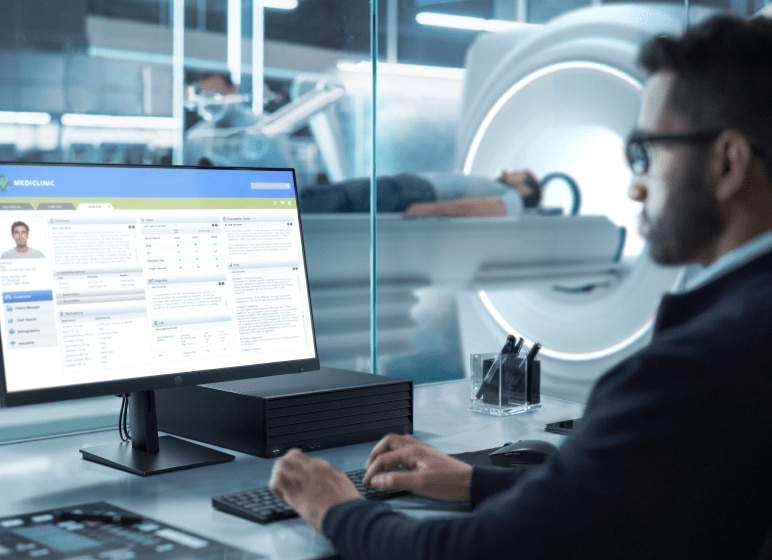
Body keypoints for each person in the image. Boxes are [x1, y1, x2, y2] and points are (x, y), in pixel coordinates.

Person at [269, 14, 772, 559]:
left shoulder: (692, 371)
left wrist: (337, 509)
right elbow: (641, 490)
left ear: (727, 163)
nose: (634, 186)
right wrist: (471, 481)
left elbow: (474, 552)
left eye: (646, 153)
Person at [299, 169, 542, 217]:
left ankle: (281, 215)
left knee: (347, 197)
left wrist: (430, 210)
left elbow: (484, 208)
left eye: (517, 174)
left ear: (525, 188)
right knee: (347, 195)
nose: (506, 171)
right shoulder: (502, 191)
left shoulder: (513, 201)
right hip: (412, 187)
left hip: (416, 193)